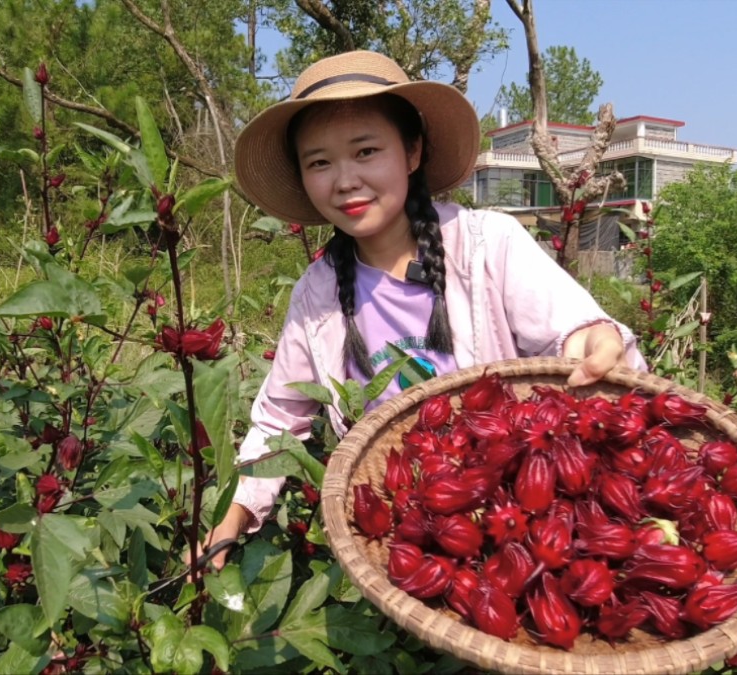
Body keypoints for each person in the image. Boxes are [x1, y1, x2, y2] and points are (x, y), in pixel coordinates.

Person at [202, 50, 646, 569]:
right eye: (319, 162)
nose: (344, 180)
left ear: (412, 153)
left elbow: (575, 335)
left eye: (366, 151)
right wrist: (231, 520)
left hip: (513, 522)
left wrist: (593, 343)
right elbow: (280, 420)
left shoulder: (487, 246)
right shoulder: (317, 292)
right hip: (398, 539)